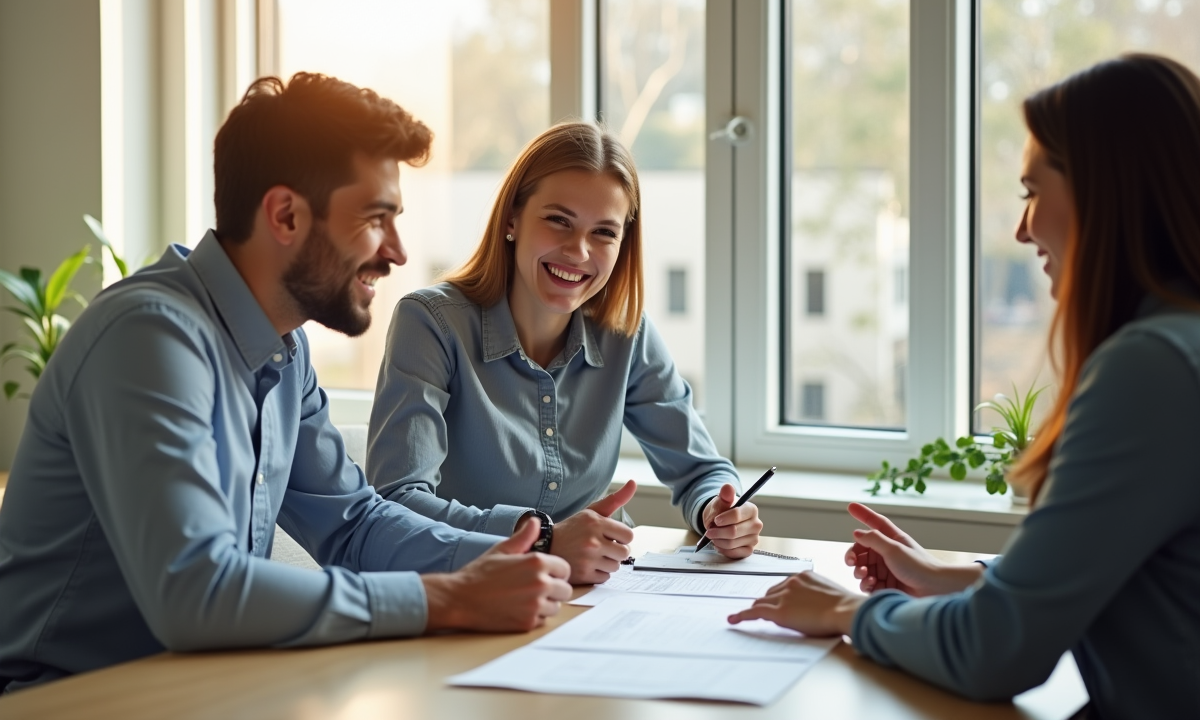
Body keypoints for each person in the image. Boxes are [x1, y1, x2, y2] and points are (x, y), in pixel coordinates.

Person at [0, 73, 572, 693]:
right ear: (285, 215)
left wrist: (518, 557)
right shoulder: (150, 338)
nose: (398, 252)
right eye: (376, 217)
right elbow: (196, 588)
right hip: (60, 697)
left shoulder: (282, 347)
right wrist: (445, 599)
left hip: (189, 691)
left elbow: (353, 524)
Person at [727, 54, 1200, 718]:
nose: (1022, 227)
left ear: (1106, 189)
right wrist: (961, 580)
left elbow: (996, 651)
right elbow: (1121, 576)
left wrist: (847, 610)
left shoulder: (1152, 369)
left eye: (1033, 191)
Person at [366, 122, 763, 584]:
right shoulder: (431, 322)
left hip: (601, 595)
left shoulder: (625, 332)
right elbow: (397, 502)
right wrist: (542, 539)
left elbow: (701, 469)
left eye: (603, 233)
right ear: (512, 218)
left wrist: (719, 509)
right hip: (470, 593)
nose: (578, 251)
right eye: (558, 220)